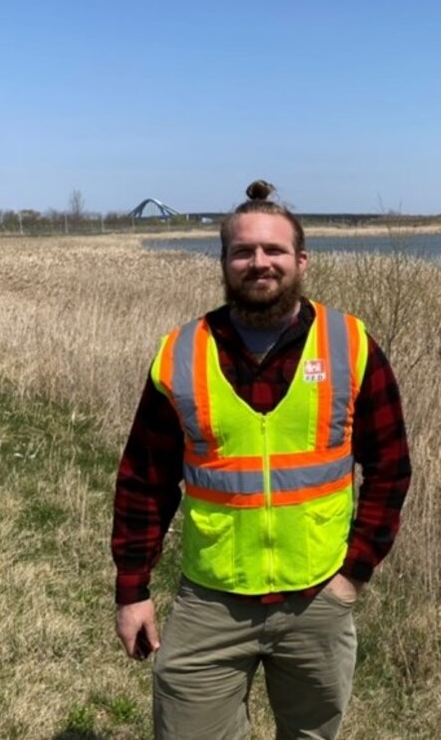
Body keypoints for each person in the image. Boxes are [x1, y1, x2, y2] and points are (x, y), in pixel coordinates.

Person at [111, 180, 412, 740]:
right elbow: (143, 483)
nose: (259, 263)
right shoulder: (181, 354)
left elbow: (391, 465)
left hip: (318, 598)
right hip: (212, 599)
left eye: (274, 250)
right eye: (243, 251)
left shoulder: (350, 344)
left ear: (301, 260)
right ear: (223, 262)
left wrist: (353, 574)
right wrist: (133, 590)